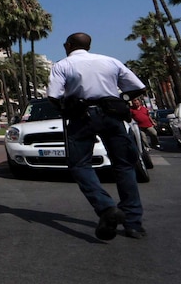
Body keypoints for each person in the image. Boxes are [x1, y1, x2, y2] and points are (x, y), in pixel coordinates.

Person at [47, 32, 147, 241]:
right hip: (112, 115)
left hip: (82, 117)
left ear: (69, 45)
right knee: (124, 165)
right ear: (89, 45)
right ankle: (133, 223)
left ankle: (106, 207)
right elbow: (138, 87)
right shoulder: (110, 61)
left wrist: (68, 109)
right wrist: (120, 99)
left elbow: (53, 96)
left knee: (80, 165)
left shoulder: (63, 65)